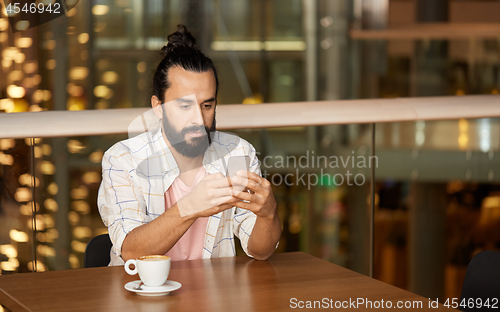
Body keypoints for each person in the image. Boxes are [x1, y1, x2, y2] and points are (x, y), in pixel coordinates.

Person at [97, 25, 281, 265]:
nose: (197, 118)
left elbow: (260, 251)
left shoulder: (238, 153)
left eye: (207, 106)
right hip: (140, 295)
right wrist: (191, 205)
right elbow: (131, 251)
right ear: (157, 107)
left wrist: (268, 215)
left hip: (215, 296)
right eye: (184, 106)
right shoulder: (123, 159)